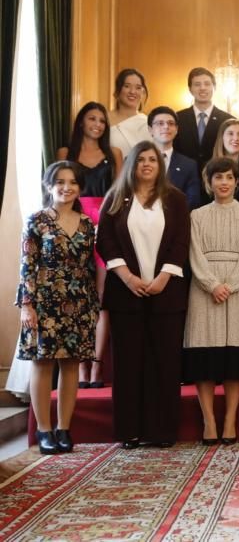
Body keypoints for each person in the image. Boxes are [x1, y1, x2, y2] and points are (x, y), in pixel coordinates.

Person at [97, 141, 191, 449]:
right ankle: (130, 431)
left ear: (160, 165)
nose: (147, 164)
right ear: (132, 165)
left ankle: (162, 431)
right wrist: (126, 276)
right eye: (141, 160)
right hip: (126, 295)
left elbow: (180, 242)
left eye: (153, 159)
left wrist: (164, 277)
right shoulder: (116, 198)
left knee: (164, 363)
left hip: (167, 294)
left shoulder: (175, 199)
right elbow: (105, 241)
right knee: (128, 365)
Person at [16, 162, 100, 454]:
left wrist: (93, 304)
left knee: (71, 363)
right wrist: (26, 305)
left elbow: (90, 267)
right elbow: (27, 266)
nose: (67, 187)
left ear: (80, 187)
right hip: (44, 301)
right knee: (43, 363)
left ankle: (64, 427)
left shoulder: (87, 223)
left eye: (73, 182)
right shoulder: (37, 220)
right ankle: (43, 430)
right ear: (48, 186)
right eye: (60, 182)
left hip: (79, 301)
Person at [182, 157, 239, 445]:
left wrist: (233, 284)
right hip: (204, 289)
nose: (224, 182)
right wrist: (212, 284)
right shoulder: (196, 215)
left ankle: (230, 420)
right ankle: (209, 421)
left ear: (237, 182)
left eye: (229, 177)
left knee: (234, 360)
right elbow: (194, 254)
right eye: (218, 178)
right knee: (205, 357)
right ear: (209, 182)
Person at [57, 102, 122, 390]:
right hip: (74, 224)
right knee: (78, 295)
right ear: (81, 122)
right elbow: (59, 191)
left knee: (102, 297)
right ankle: (79, 367)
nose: (97, 123)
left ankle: (96, 368)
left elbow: (120, 194)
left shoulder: (114, 154)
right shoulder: (64, 153)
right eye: (91, 118)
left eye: (102, 120)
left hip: (106, 224)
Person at [174, 67, 234, 177]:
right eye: (197, 84)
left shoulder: (227, 120)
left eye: (207, 84)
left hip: (216, 179)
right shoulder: (177, 118)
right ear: (190, 89)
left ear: (214, 87)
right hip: (183, 178)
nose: (202, 88)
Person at [148, 106, 201, 209]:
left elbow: (193, 201)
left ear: (176, 130)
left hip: (176, 221)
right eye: (160, 123)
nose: (166, 127)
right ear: (150, 129)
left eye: (171, 123)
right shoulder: (135, 160)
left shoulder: (189, 165)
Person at [108, 68, 153, 155]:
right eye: (127, 86)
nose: (132, 92)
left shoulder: (148, 122)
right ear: (118, 90)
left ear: (143, 92)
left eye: (138, 88)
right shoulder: (104, 118)